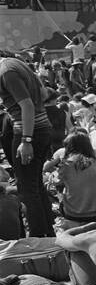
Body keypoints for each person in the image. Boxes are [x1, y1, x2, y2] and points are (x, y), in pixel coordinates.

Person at [0, 53, 55, 236]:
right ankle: (48, 234)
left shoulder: (6, 72)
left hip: (29, 133)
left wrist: (26, 140)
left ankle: (39, 240)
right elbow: (44, 93)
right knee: (36, 186)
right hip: (42, 128)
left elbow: (27, 105)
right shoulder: (17, 63)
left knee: (27, 191)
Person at [56, 131, 96, 225]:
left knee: (56, 191)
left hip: (73, 214)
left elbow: (56, 182)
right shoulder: (94, 162)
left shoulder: (66, 164)